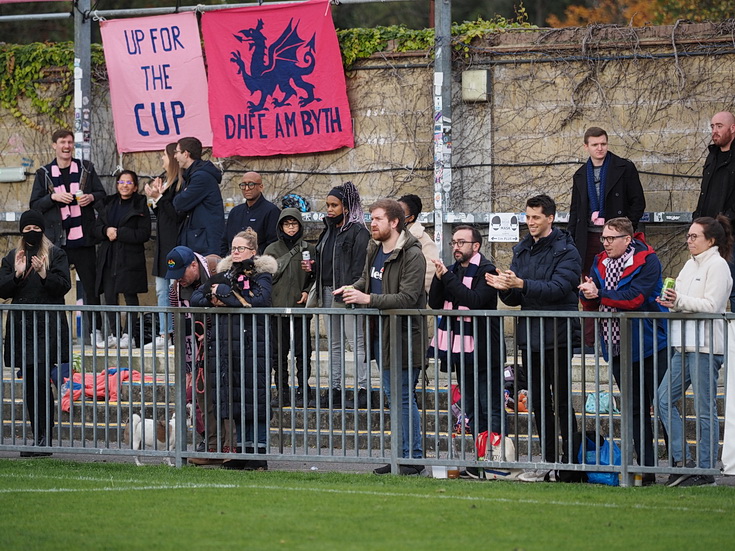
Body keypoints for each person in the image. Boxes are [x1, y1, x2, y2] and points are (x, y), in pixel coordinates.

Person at [486, 194, 581, 482]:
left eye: (536, 217)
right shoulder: (523, 249)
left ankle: (571, 464)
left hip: (559, 334)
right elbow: (519, 297)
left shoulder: (567, 249)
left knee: (562, 402)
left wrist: (521, 283)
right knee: (539, 401)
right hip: (531, 335)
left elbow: (560, 287)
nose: (531, 223)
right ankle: (549, 460)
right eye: (528, 217)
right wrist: (504, 287)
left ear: (550, 218)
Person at [578, 217, 668, 486]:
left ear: (627, 239)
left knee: (663, 407)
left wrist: (600, 293)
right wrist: (586, 293)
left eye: (610, 238)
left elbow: (636, 298)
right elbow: (591, 300)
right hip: (617, 347)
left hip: (651, 344)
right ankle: (648, 470)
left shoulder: (647, 260)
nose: (605, 243)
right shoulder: (600, 263)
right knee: (634, 410)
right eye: (603, 238)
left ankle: (680, 466)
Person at [340, 199, 426, 475]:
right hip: (381, 335)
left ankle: (412, 457)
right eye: (371, 218)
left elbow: (408, 297)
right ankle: (401, 456)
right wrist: (351, 289)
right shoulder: (374, 248)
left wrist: (368, 298)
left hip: (404, 335)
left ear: (394, 222)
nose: (372, 223)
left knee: (402, 398)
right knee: (393, 396)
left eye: (377, 219)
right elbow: (367, 280)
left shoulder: (413, 254)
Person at [657, 216, 733, 487]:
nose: (689, 240)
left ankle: (705, 468)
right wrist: (670, 300)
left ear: (710, 240)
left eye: (694, 236)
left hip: (706, 346)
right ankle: (683, 461)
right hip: (683, 344)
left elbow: (712, 305)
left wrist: (679, 301)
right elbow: (681, 301)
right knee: (663, 398)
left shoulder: (719, 265)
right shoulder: (689, 265)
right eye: (688, 236)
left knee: (704, 409)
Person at [191, 229, 277, 470]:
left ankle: (258, 454)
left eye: (241, 248)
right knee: (236, 399)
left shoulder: (263, 274)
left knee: (255, 400)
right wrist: (221, 295)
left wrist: (223, 295)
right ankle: (240, 452)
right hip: (227, 345)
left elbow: (257, 300)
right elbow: (198, 297)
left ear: (253, 251)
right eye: (233, 248)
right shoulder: (224, 273)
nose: (236, 252)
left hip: (253, 344)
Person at [427, 225, 504, 479]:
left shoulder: (487, 270)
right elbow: (436, 303)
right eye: (454, 243)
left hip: (484, 348)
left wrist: (447, 278)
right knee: (470, 407)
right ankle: (479, 458)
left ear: (476, 246)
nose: (456, 247)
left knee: (490, 406)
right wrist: (440, 279)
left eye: (461, 242)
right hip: (461, 350)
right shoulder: (450, 271)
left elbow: (473, 300)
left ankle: (495, 460)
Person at [0, 210, 71, 456]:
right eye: (27, 229)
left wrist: (43, 273)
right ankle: (38, 438)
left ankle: (44, 439)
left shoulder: (56, 254)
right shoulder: (12, 257)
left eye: (35, 229)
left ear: (43, 230)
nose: (31, 233)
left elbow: (63, 286)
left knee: (41, 381)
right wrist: (18, 273)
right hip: (22, 326)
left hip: (47, 326)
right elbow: (2, 288)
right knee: (30, 384)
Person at [568, 127, 646, 347]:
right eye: (595, 144)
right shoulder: (581, 174)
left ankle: (620, 340)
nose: (600, 148)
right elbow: (575, 211)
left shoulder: (624, 167)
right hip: (589, 239)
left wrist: (624, 231)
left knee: (618, 285)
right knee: (589, 287)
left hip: (617, 237)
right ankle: (591, 342)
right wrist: (572, 242)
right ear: (587, 146)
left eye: (603, 143)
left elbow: (637, 202)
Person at [29, 128, 105, 345]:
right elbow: (34, 205)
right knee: (55, 287)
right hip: (57, 241)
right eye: (62, 142)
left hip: (83, 239)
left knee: (92, 288)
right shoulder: (44, 173)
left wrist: (90, 197)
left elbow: (101, 195)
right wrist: (53, 197)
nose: (67, 146)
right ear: (54, 145)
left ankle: (96, 332)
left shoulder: (86, 168)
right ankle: (58, 334)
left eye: (70, 142)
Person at [313, 182, 370, 409]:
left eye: (334, 205)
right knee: (334, 343)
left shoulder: (358, 232)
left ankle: (363, 389)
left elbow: (360, 266)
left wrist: (353, 290)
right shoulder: (328, 230)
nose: (329, 209)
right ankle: (335, 389)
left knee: (356, 342)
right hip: (327, 290)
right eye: (327, 205)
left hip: (348, 292)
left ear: (346, 207)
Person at [166, 245, 222, 461]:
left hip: (220, 344)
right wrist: (187, 366)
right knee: (194, 395)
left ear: (193, 264)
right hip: (196, 351)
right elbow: (177, 326)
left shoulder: (217, 270)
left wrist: (209, 336)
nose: (178, 279)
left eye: (181, 273)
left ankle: (222, 444)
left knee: (217, 397)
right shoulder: (175, 290)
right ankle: (207, 440)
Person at [263, 208, 317, 407]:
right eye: (287, 224)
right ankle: (282, 391)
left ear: (300, 226)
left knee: (303, 353)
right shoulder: (272, 249)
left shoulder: (309, 249)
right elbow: (265, 277)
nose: (291, 228)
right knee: (278, 353)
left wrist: (307, 291)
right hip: (277, 309)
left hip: (300, 308)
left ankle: (304, 390)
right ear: (280, 226)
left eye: (294, 224)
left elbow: (316, 277)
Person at [93, 170, 151, 348]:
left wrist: (119, 233)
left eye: (129, 183)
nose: (124, 186)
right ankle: (114, 334)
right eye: (121, 182)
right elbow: (95, 229)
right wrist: (105, 231)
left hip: (130, 257)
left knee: (130, 295)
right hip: (109, 255)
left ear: (135, 187)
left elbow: (144, 233)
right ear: (117, 184)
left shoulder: (141, 205)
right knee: (109, 295)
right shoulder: (108, 203)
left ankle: (129, 335)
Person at [693, 111, 735, 311]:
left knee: (733, 288)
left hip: (731, 234)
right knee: (703, 286)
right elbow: (705, 193)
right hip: (708, 233)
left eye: (719, 126)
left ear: (732, 128)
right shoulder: (712, 156)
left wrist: (725, 220)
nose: (714, 131)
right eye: (712, 126)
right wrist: (697, 220)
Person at [144, 142, 181, 347]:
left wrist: (159, 198)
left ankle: (176, 334)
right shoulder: (167, 183)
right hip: (162, 245)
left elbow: (174, 216)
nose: (162, 160)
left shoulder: (179, 185)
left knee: (174, 291)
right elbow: (163, 216)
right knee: (161, 291)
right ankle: (163, 334)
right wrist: (156, 199)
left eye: (164, 156)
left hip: (174, 245)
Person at [172, 137, 225, 256]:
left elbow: (179, 203)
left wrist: (180, 196)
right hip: (198, 241)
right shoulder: (192, 175)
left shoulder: (201, 177)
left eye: (176, 152)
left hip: (205, 245)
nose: (175, 156)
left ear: (186, 154)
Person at [222, 171, 280, 256]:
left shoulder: (271, 211)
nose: (246, 188)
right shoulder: (235, 212)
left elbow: (273, 244)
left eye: (251, 184)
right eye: (243, 185)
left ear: (261, 187)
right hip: (233, 263)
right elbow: (224, 241)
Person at [398, 194, 439, 294]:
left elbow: (429, 273)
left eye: (401, 212)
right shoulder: (390, 236)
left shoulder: (423, 240)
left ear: (410, 218)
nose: (395, 215)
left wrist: (406, 287)